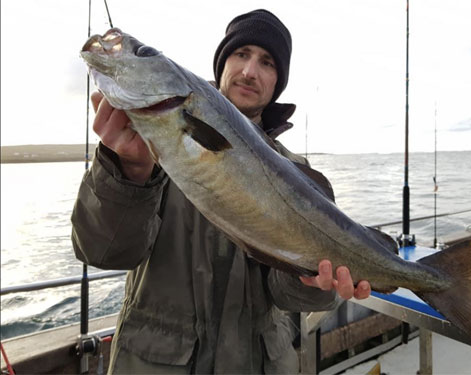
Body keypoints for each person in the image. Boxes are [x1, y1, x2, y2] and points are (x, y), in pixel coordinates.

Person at [72, 9, 371, 374]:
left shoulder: (301, 174)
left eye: (267, 63)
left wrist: (310, 280)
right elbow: (103, 252)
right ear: (222, 62)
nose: (249, 71)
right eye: (241, 53)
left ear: (278, 81)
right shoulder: (145, 146)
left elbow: (289, 296)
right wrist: (128, 172)